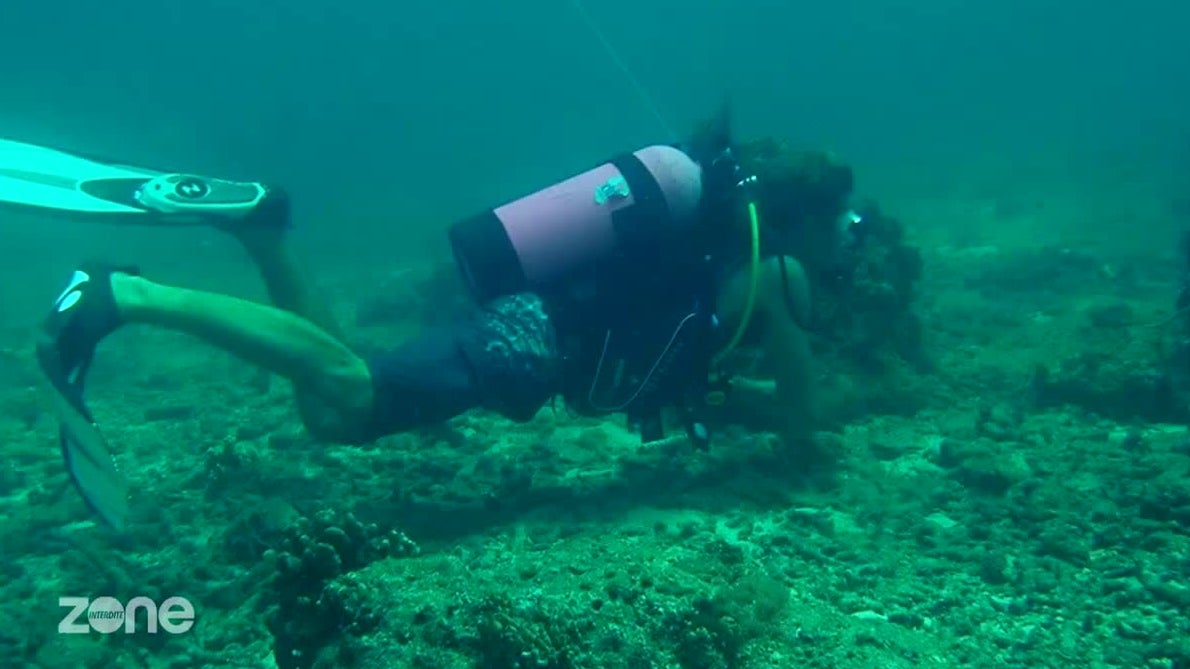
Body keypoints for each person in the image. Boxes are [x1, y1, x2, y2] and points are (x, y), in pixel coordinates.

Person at [35, 116, 857, 525]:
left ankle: (263, 228)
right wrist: (812, 421)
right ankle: (131, 298)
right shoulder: (778, 274)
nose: (844, 244)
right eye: (841, 226)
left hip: (533, 328)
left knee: (333, 410)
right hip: (534, 346)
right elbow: (803, 419)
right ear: (804, 218)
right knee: (351, 396)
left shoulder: (723, 258)